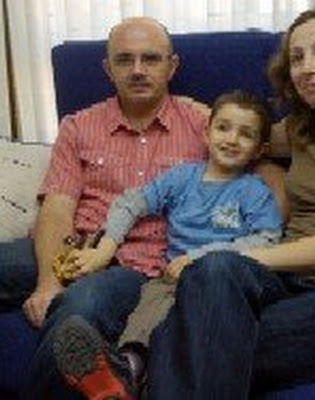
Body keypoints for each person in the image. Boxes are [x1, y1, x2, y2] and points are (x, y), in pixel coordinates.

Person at [141, 7, 315, 399]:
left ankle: (133, 373)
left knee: (197, 335)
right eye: (297, 58)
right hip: (283, 281)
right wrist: (172, 103)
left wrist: (242, 255)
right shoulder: (300, 130)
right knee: (213, 274)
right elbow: (237, 133)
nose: (307, 67)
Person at [0, 16, 210, 400]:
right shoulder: (79, 125)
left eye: (151, 59)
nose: (138, 70)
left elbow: (259, 158)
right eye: (124, 60)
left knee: (80, 307)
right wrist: (48, 281)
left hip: (135, 266)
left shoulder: (204, 127)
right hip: (72, 247)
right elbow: (58, 206)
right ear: (108, 69)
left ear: (172, 66)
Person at [51, 90, 283, 400]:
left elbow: (267, 239)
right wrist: (106, 247)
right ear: (206, 132)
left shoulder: (254, 191)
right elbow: (130, 203)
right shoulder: (183, 178)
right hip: (170, 279)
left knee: (186, 319)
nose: (232, 139)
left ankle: (137, 379)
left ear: (260, 149)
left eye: (246, 134)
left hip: (222, 284)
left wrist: (198, 257)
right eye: (223, 127)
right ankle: (126, 369)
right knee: (150, 309)